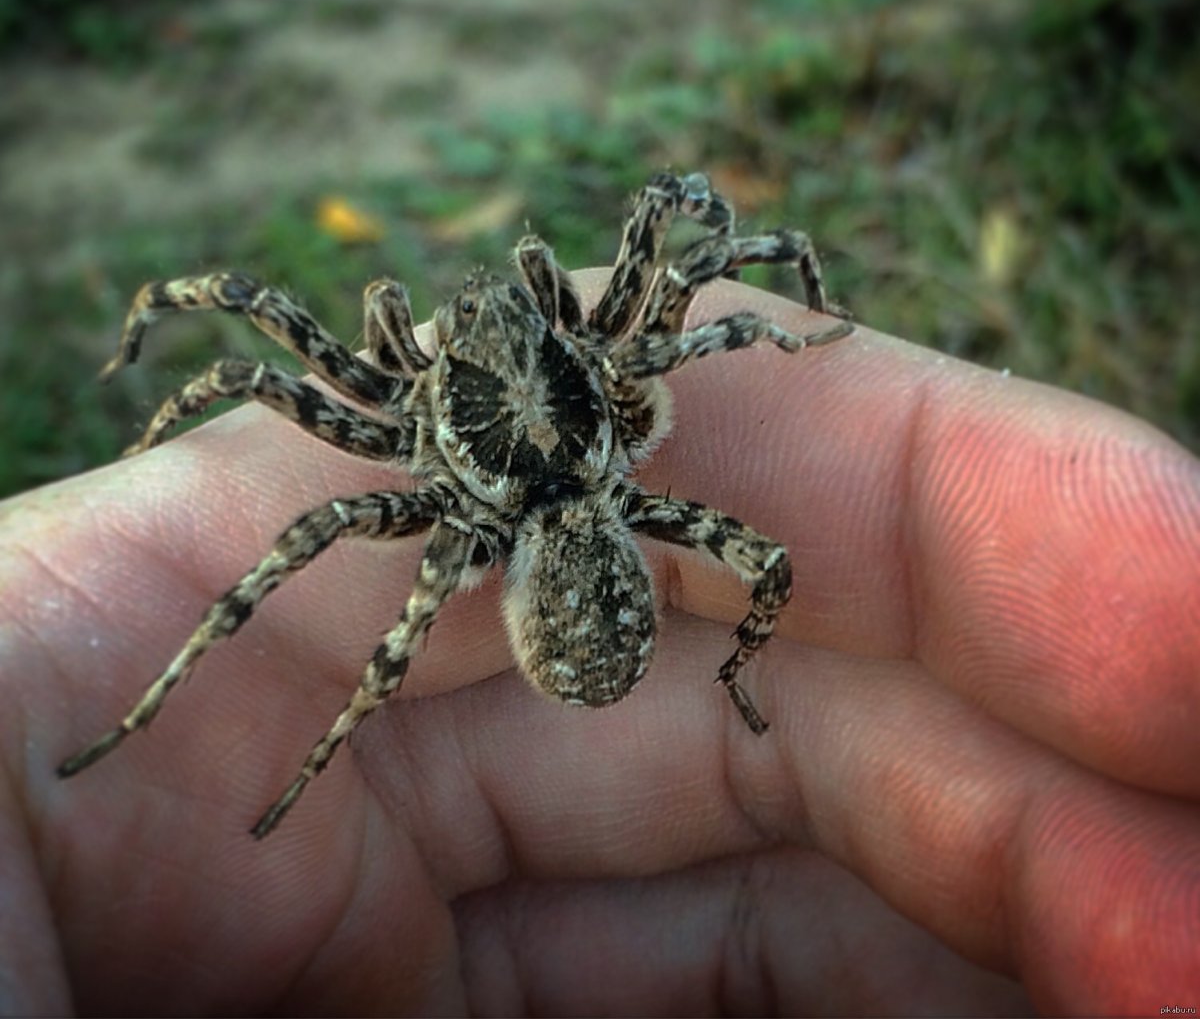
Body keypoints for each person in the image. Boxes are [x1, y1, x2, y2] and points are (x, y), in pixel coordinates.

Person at [0, 274, 1196, 1014]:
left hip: (507, 530)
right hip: (597, 521)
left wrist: (166, 412)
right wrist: (781, 331)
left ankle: (291, 741)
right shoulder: (624, 384)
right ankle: (260, 733)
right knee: (761, 553)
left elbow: (242, 357)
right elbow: (705, 287)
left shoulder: (423, 451)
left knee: (318, 516)